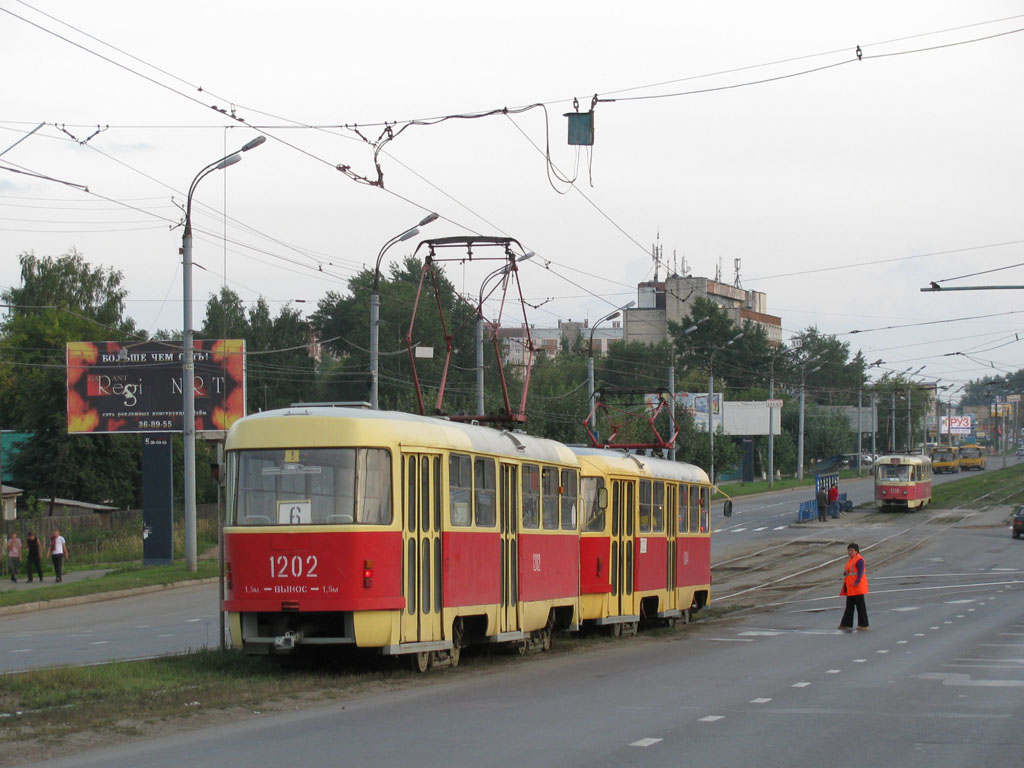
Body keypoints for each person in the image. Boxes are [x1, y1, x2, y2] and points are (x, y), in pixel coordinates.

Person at [838, 542, 869, 630]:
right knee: (849, 606)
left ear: (856, 551)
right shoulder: (851, 559)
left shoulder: (859, 559)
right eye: (849, 550)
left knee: (860, 607)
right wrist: (845, 573)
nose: (850, 552)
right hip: (851, 587)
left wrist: (857, 581)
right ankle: (846, 624)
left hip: (857, 587)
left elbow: (860, 571)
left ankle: (863, 625)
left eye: (851, 550)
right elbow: (849, 571)